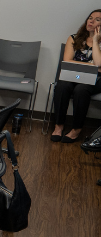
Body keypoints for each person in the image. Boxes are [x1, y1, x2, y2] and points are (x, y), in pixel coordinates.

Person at [50, 9, 101, 143]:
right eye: (90, 18)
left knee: (81, 90)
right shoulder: (73, 38)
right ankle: (58, 126)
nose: (91, 21)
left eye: (97, 19)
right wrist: (93, 66)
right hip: (73, 75)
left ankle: (76, 129)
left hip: (96, 79)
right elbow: (67, 61)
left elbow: (99, 63)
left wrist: (95, 41)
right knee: (62, 86)